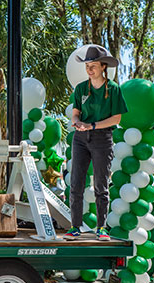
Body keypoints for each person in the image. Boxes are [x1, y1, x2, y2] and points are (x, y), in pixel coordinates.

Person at [63, 45, 128, 241]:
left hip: (102, 139)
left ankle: (102, 228)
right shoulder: (81, 88)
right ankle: (75, 227)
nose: (89, 70)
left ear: (103, 67)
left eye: (93, 66)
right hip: (80, 139)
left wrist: (92, 125)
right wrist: (77, 123)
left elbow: (116, 119)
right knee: (76, 183)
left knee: (101, 185)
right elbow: (75, 114)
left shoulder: (114, 89)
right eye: (87, 66)